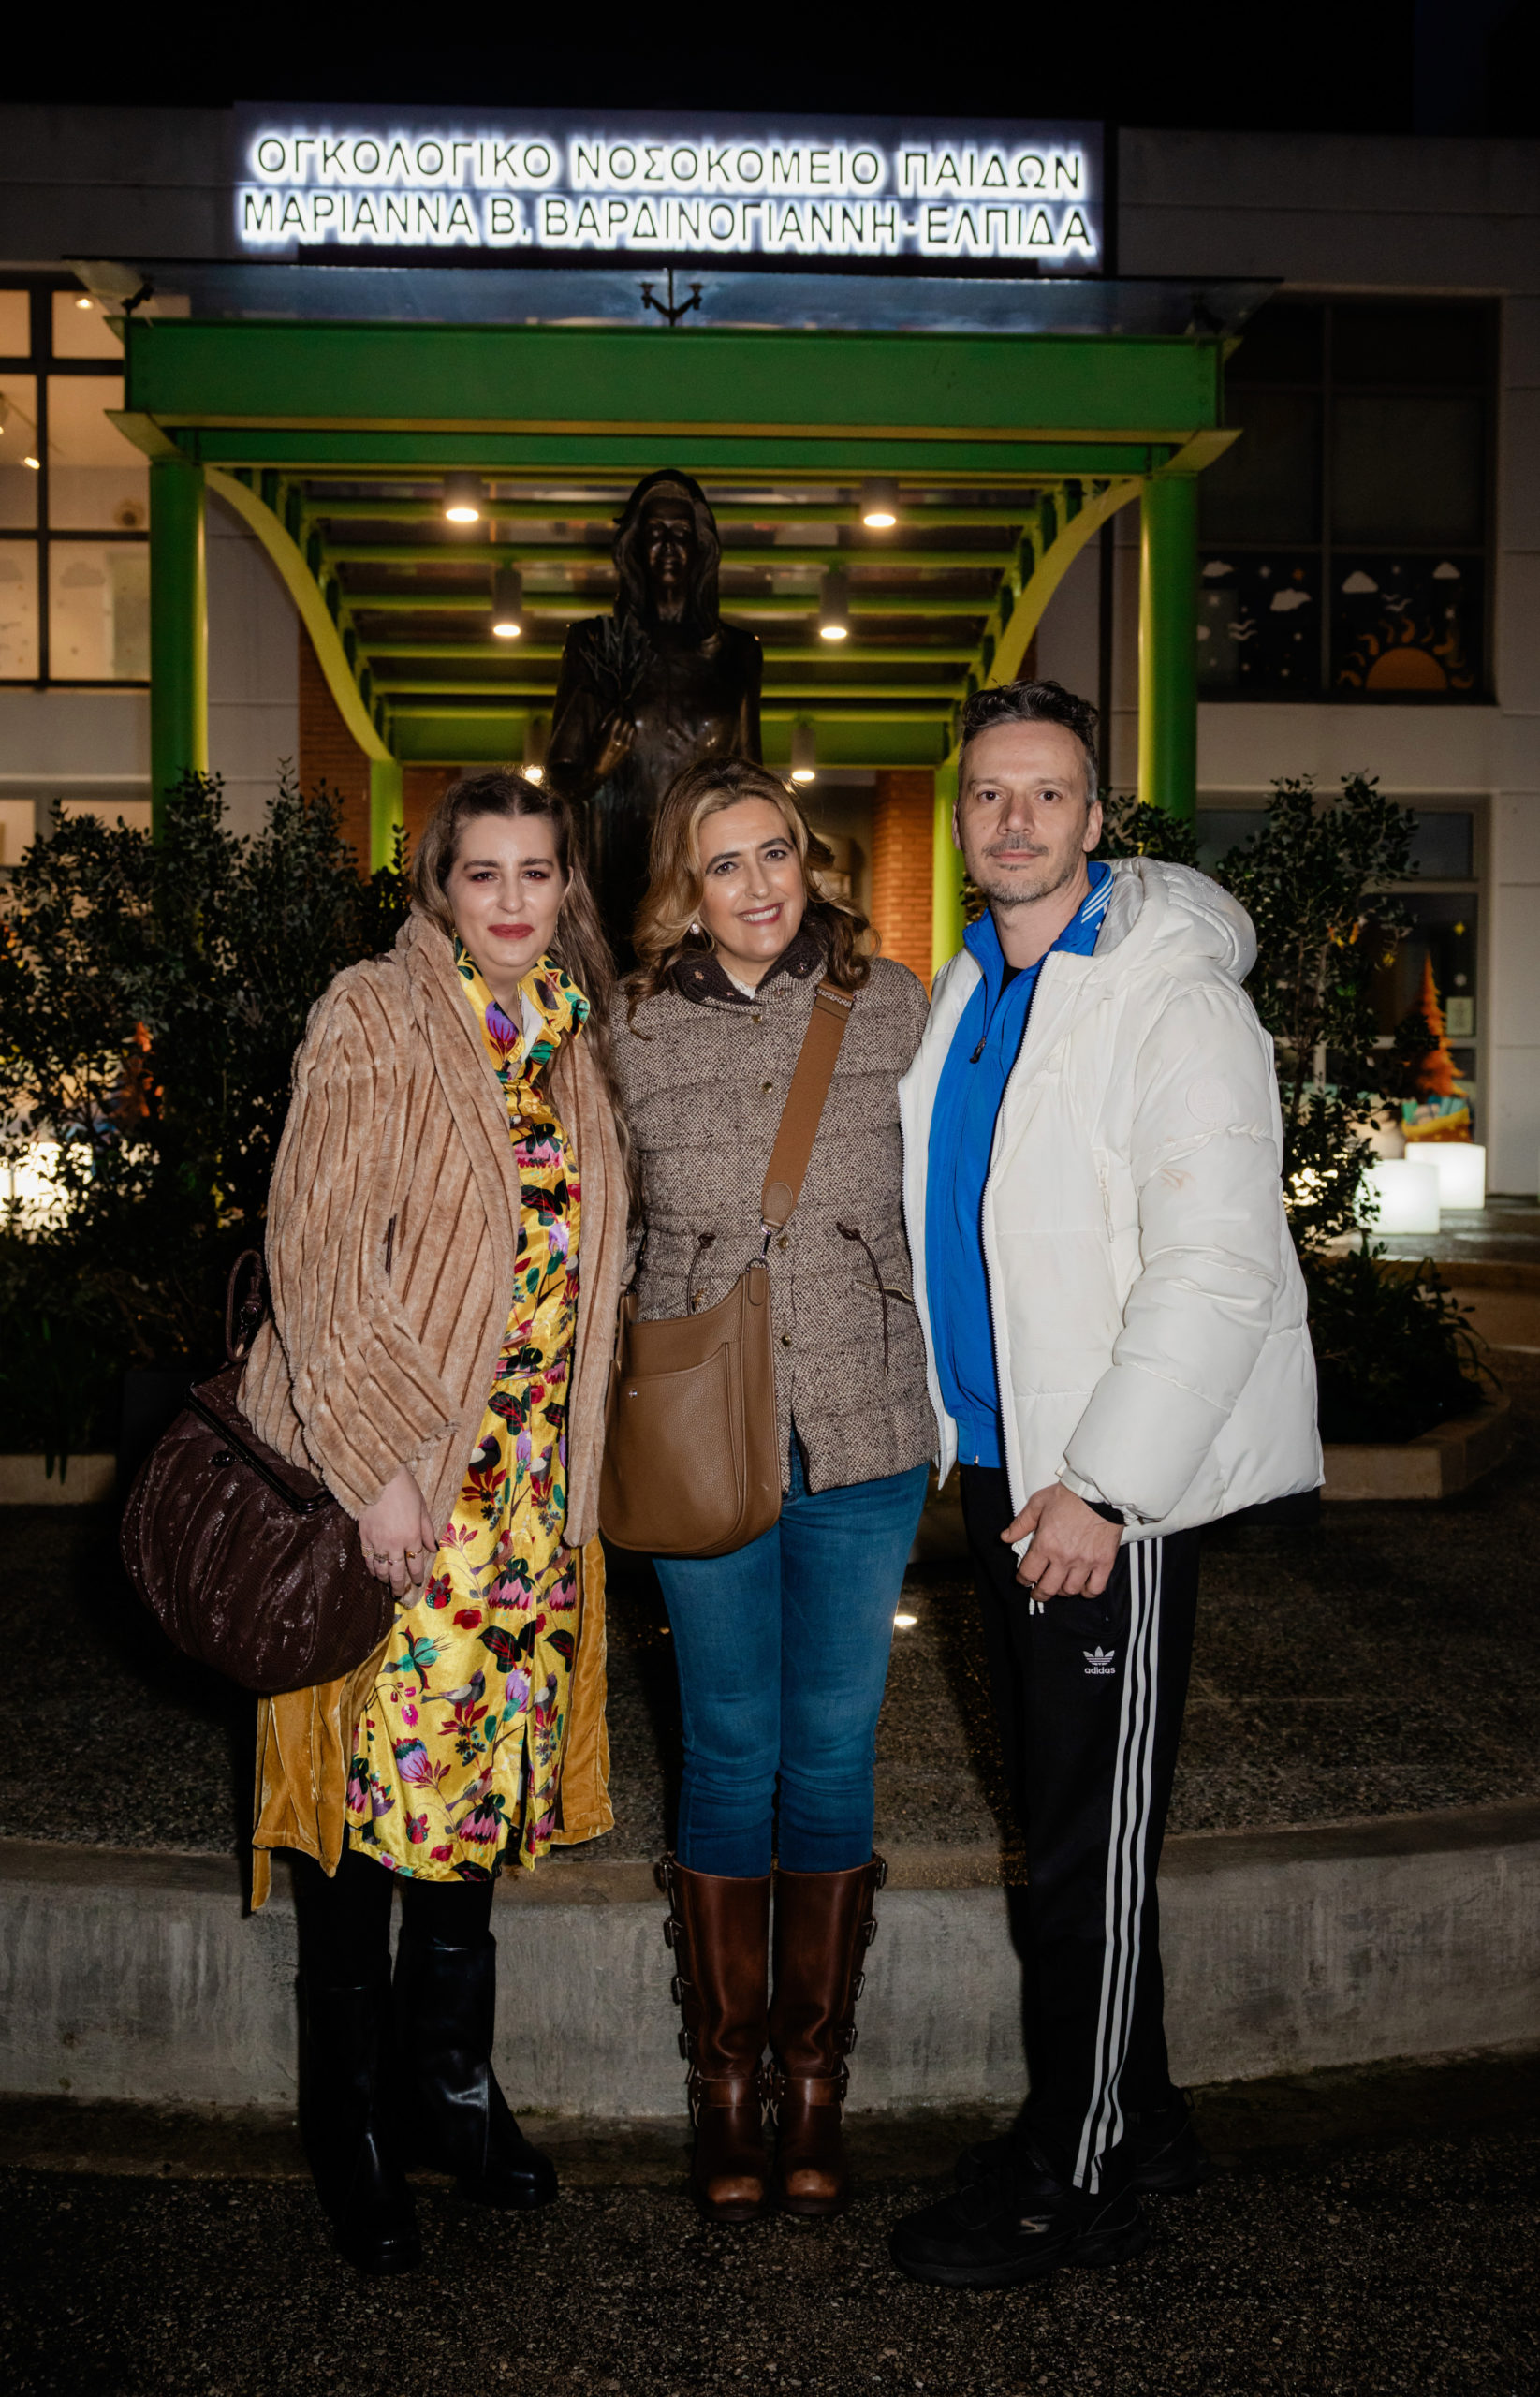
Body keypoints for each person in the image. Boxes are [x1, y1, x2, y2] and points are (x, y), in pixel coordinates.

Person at [888, 680, 1320, 2287]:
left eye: (1048, 793)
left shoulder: (1169, 996)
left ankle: (1073, 2181)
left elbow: (1218, 1268)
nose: (1015, 821)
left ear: (1095, 816)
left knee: (1087, 1846)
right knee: (1063, 1822)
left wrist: (1106, 1490)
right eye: (989, 794)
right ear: (961, 817)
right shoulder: (975, 986)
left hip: (1097, 1498)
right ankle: (1141, 2119)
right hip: (1007, 1466)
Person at [240, 770, 629, 2274]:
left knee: (472, 1803)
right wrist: (377, 1466)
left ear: (566, 887)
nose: (515, 901)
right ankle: (347, 2123)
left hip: (525, 1501)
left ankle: (449, 2093)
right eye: (486, 874)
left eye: (539, 873)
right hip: (400, 1490)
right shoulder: (376, 1015)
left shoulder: (571, 1035)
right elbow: (317, 1252)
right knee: (360, 1808)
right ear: (439, 887)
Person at [612, 756, 935, 2222]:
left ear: (810, 862)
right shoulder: (627, 1027)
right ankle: (724, 2087)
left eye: (776, 854)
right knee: (728, 1748)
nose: (757, 885)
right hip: (700, 1437)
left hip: (865, 1433)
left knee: (833, 1750)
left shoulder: (894, 1005)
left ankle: (814, 2085)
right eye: (724, 863)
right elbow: (602, 1236)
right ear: (685, 889)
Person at [547, 468, 763, 958]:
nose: (668, 546)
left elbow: (753, 785)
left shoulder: (737, 654)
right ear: (635, 546)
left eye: (681, 533)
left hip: (704, 884)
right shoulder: (594, 645)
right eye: (655, 532)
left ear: (701, 547)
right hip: (615, 883)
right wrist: (597, 766)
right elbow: (557, 786)